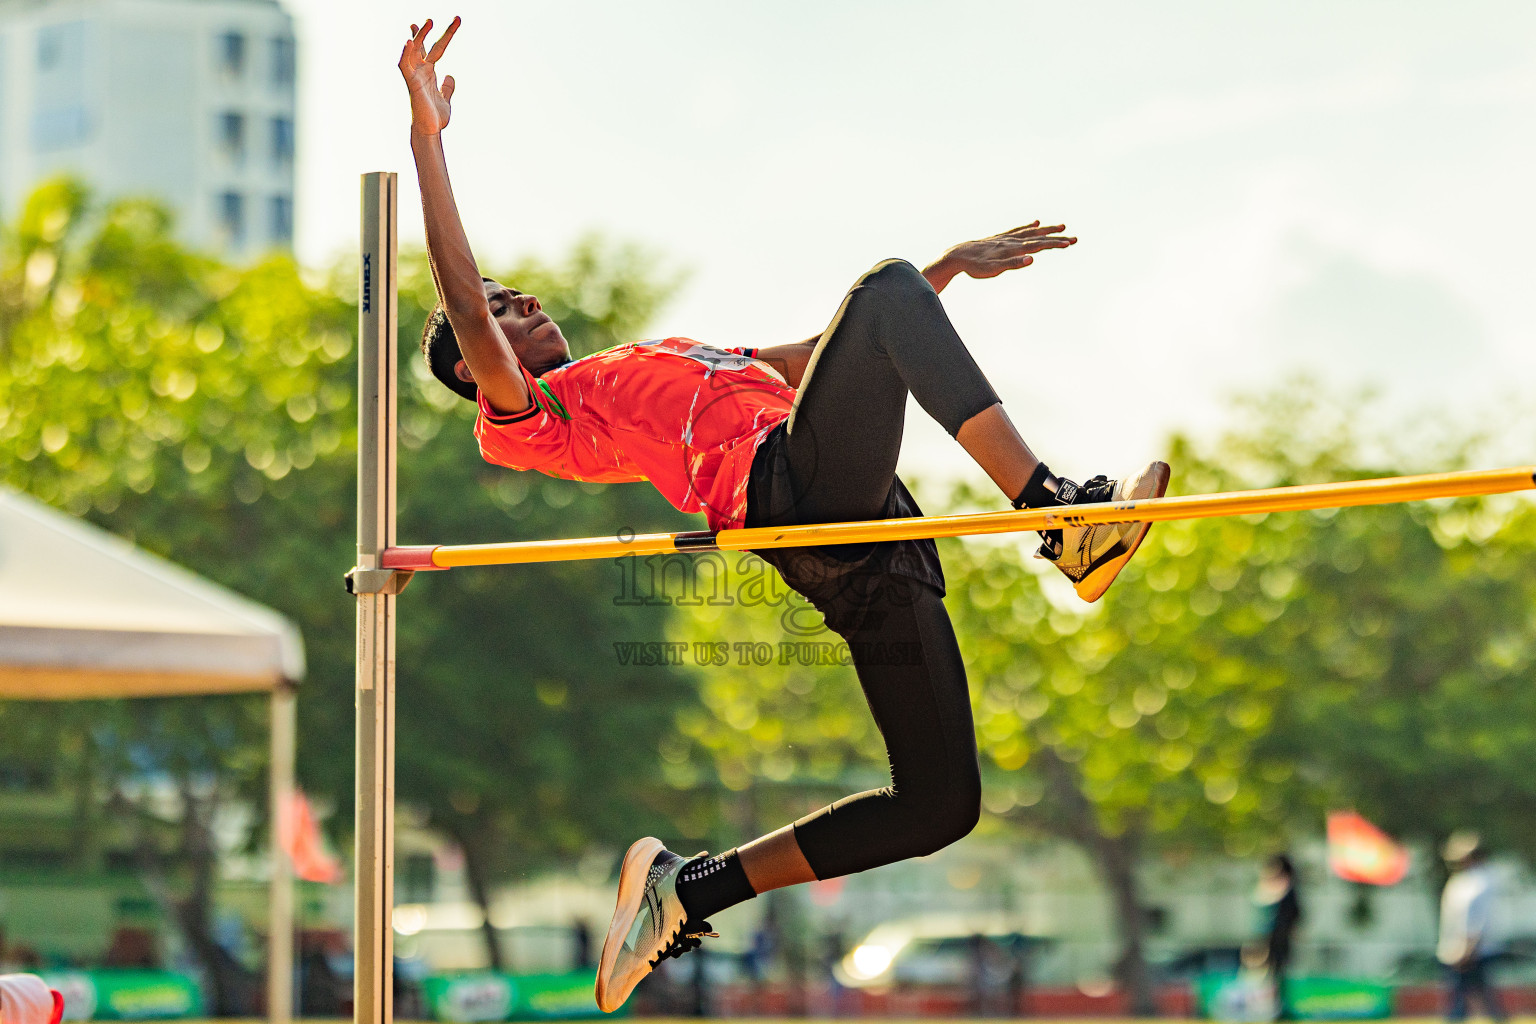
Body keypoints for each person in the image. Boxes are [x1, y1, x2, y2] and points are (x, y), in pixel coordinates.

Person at [398, 17, 1171, 1014]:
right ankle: (1059, 515)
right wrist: (429, 139)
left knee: (939, 803)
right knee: (884, 290)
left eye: (513, 298)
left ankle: (689, 888)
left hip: (869, 539)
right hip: (792, 500)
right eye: (504, 310)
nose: (520, 301)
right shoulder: (537, 416)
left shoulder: (651, 360)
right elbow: (459, 301)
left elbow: (817, 363)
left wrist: (944, 274)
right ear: (476, 365)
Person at [1438, 832, 1508, 1024]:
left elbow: (1476, 922)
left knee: (1461, 1000)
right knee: (1473, 998)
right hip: (1458, 950)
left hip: (1469, 952)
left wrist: (1467, 950)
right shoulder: (1464, 881)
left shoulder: (1479, 883)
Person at [1254, 853, 1302, 1021]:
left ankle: (1278, 1008)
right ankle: (1271, 1008)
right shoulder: (1275, 888)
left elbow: (1296, 914)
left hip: (1279, 939)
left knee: (1277, 974)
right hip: (1270, 939)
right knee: (1270, 974)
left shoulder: (1287, 890)